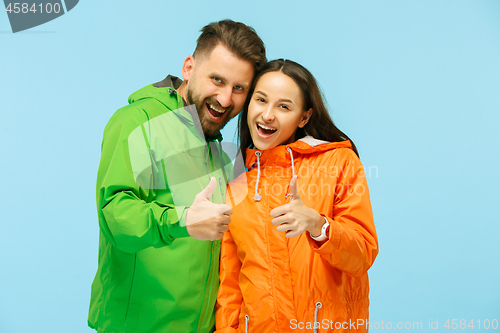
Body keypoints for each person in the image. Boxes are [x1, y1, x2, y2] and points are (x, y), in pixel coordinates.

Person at [88, 20, 266, 333]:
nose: (225, 99)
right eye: (217, 80)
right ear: (188, 68)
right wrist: (182, 220)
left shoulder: (217, 146)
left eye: (238, 88)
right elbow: (116, 216)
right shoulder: (137, 120)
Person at [215, 59, 379, 333]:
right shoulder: (236, 185)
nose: (268, 115)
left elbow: (362, 256)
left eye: (283, 106)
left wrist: (319, 225)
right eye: (261, 100)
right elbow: (230, 288)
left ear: (304, 117)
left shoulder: (340, 162)